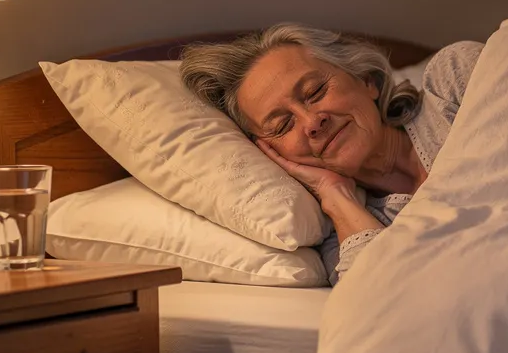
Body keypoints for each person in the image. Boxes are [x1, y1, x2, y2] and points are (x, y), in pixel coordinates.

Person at [180, 24, 483, 284]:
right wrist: (334, 195)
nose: (312, 122)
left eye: (315, 92)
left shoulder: (456, 82)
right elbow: (386, 299)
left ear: (365, 79)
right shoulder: (347, 241)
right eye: (283, 125)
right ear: (272, 153)